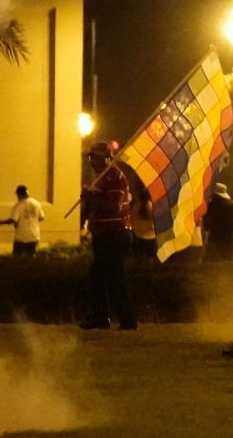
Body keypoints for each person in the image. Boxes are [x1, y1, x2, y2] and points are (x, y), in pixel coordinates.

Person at [80, 141, 137, 330]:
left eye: (95, 157)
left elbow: (115, 207)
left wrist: (92, 198)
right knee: (97, 278)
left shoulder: (115, 177)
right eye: (91, 157)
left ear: (106, 158)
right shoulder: (101, 179)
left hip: (115, 235)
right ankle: (100, 318)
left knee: (116, 278)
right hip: (103, 235)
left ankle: (128, 320)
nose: (92, 162)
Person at [0, 184, 44, 256]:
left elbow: (13, 220)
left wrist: (1, 222)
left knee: (17, 258)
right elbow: (41, 218)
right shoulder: (36, 203)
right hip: (35, 236)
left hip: (22, 237)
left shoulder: (19, 205)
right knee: (32, 258)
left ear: (18, 194)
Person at [202, 182, 233, 263]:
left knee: (212, 263)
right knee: (229, 262)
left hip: (216, 237)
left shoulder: (212, 205)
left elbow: (207, 223)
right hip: (230, 238)